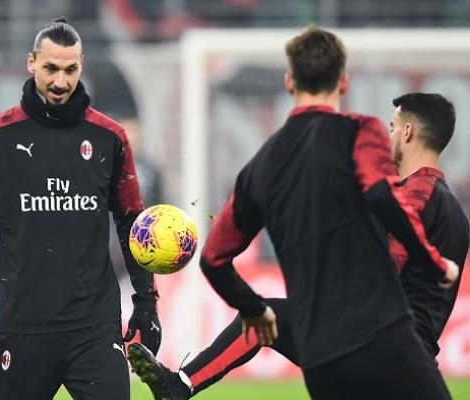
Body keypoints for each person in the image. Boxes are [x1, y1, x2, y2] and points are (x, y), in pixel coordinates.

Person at [134, 26, 460, 400]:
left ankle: (180, 386)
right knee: (268, 318)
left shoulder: (269, 161)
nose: (386, 135)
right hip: (384, 344)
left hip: (383, 346)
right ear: (342, 82)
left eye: (392, 127)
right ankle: (180, 384)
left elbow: (386, 259)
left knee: (264, 317)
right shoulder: (445, 205)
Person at [0, 17, 160, 399]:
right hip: (22, 326)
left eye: (70, 70)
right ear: (31, 63)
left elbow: (131, 223)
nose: (60, 81)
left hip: (94, 328)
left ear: (81, 67)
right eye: (51, 68)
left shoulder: (110, 138)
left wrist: (146, 302)